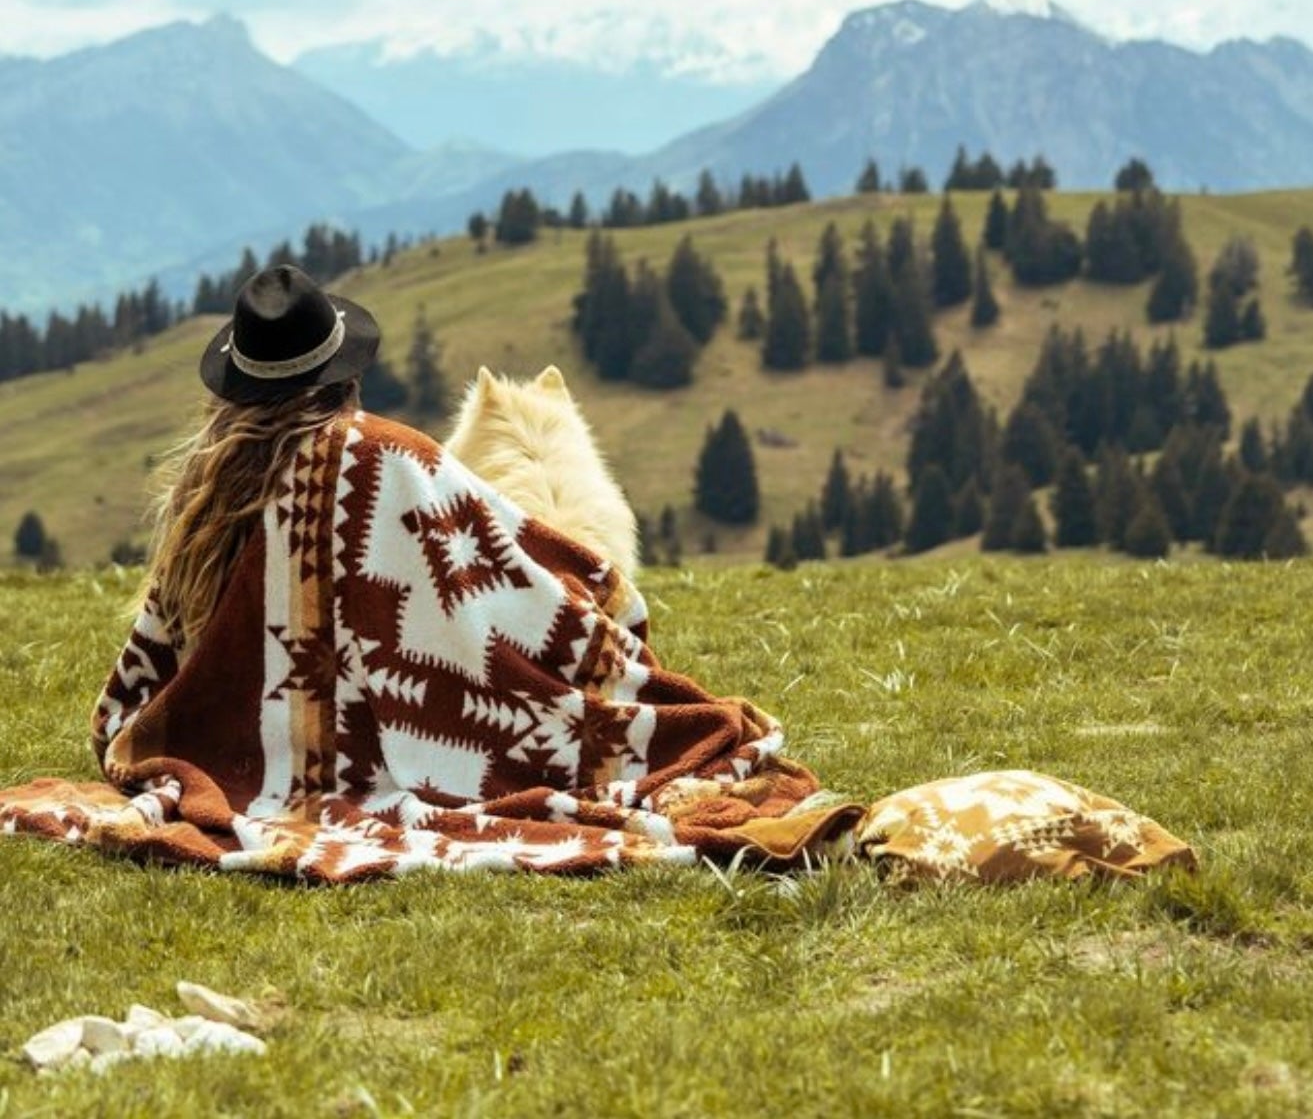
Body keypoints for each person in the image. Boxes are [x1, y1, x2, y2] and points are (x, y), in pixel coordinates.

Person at [0, 266, 1195, 885]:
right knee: (663, 742)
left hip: (223, 771)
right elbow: (523, 582)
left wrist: (180, 753)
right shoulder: (386, 462)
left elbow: (145, 675)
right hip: (405, 766)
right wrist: (611, 624)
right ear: (339, 379)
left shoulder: (201, 498)